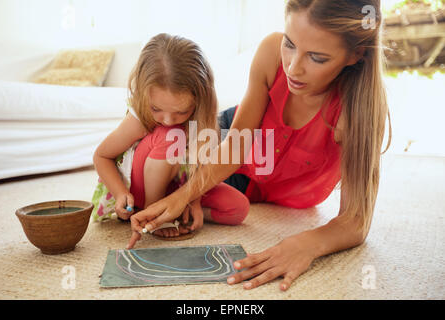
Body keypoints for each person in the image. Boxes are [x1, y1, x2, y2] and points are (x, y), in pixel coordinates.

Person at [128, 0, 392, 291]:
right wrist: (184, 196)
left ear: (357, 54)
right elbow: (236, 146)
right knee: (169, 153)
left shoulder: (358, 113)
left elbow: (356, 220)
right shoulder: (270, 52)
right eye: (289, 43)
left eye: (316, 58)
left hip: (265, 186)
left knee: (199, 194)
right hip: (235, 140)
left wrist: (305, 244)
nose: (293, 67)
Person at [91, 33, 250, 241]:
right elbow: (101, 156)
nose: (167, 119)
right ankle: (152, 212)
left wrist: (192, 202)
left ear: (198, 101)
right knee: (170, 136)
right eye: (156, 109)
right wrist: (120, 193)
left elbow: (201, 167)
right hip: (141, 186)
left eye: (181, 112)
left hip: (178, 187)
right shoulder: (141, 116)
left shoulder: (202, 117)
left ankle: (178, 212)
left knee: (238, 207)